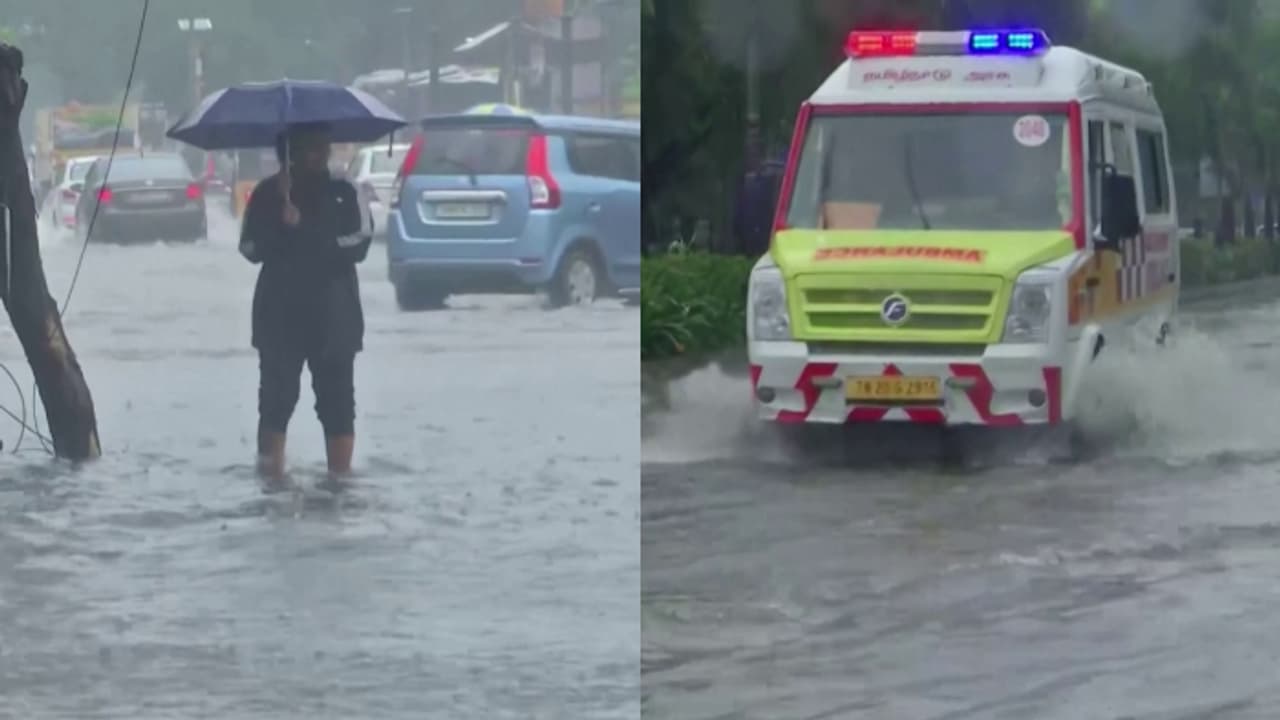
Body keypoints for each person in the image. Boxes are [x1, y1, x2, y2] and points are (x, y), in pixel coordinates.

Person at [238, 123, 372, 477]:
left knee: (338, 404)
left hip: (334, 315)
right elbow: (250, 248)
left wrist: (306, 228)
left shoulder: (345, 191)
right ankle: (271, 480)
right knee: (275, 403)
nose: (317, 154)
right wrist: (278, 224)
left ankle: (340, 482)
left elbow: (359, 243)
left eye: (322, 147)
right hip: (279, 314)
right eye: (307, 148)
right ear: (289, 152)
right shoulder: (268, 193)